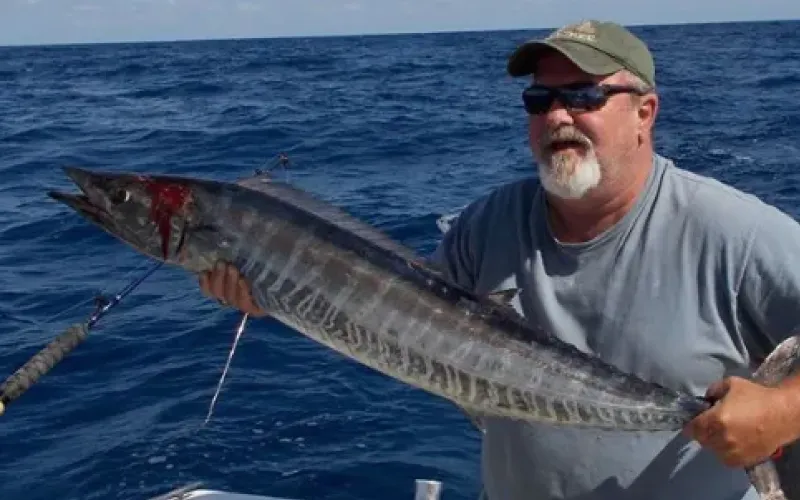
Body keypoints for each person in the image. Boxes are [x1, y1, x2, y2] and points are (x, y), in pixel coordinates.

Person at [199, 19, 800, 500]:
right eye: (539, 99)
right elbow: (402, 332)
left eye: (584, 96)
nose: (557, 116)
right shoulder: (485, 225)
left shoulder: (735, 232)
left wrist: (780, 408)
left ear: (645, 113)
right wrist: (275, 289)